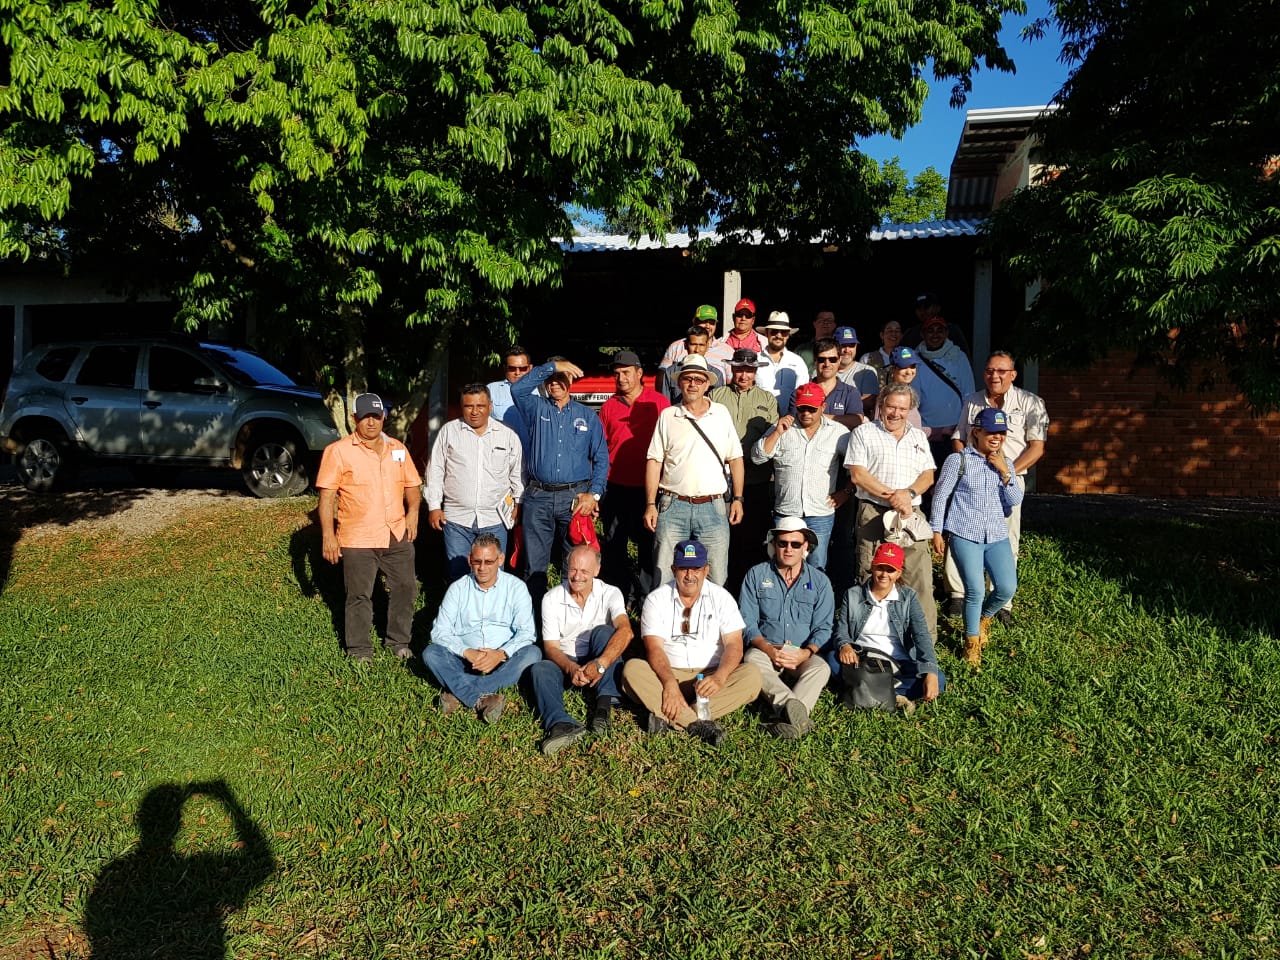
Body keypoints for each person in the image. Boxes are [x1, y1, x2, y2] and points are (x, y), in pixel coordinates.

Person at [621, 539, 762, 746]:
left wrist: (720, 678)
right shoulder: (656, 599)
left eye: (695, 568)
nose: (689, 575)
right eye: (683, 568)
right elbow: (654, 648)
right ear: (673, 569)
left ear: (706, 569)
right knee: (631, 670)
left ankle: (671, 714)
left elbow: (734, 645)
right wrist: (669, 683)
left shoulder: (722, 597)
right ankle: (697, 722)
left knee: (752, 676)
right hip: (669, 673)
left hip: (711, 675)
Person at [943, 351, 1049, 622]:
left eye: (1002, 371)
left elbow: (1037, 448)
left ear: (1013, 374)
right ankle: (957, 594)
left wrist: (1007, 470)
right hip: (972, 478)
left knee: (1005, 538)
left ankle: (1001, 603)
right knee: (961, 532)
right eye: (990, 371)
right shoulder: (972, 401)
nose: (995, 376)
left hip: (1007, 479)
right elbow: (959, 437)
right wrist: (963, 464)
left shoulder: (1030, 403)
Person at [315, 392, 421, 661]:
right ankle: (360, 650)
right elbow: (327, 497)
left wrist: (413, 513)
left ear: (383, 417)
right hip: (358, 536)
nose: (371, 423)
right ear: (354, 419)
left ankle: (398, 642)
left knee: (406, 587)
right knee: (359, 596)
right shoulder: (337, 452)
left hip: (396, 532)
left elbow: (412, 484)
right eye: (365, 417)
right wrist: (328, 535)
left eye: (376, 416)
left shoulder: (398, 448)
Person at [512, 356, 610, 614]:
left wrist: (595, 495)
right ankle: (534, 625)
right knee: (534, 566)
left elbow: (601, 458)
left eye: (560, 378)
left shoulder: (587, 416)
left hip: (574, 499)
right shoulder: (535, 408)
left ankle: (574, 619)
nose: (554, 383)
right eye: (550, 379)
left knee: (575, 565)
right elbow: (517, 388)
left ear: (571, 381)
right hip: (538, 496)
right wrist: (551, 368)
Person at [843, 382, 938, 639]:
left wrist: (906, 495)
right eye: (891, 407)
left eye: (902, 408)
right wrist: (892, 495)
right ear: (881, 406)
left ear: (910, 410)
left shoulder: (918, 436)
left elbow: (928, 476)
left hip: (910, 513)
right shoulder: (863, 433)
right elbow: (858, 475)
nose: (896, 413)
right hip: (873, 512)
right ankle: (866, 635)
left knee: (918, 576)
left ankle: (924, 641)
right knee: (869, 573)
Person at [930, 408, 1024, 666]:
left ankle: (985, 618)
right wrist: (937, 530)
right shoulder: (958, 461)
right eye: (991, 432)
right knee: (975, 589)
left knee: (1007, 587)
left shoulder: (1006, 463)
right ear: (977, 432)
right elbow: (941, 496)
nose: (997, 437)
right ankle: (971, 645)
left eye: (1001, 433)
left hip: (995, 534)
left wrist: (1005, 471)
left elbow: (1015, 500)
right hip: (964, 532)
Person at [644, 353, 744, 587]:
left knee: (717, 577)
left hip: (714, 506)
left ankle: (711, 623)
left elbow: (736, 458)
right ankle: (665, 623)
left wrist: (738, 498)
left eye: (699, 379)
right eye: (688, 378)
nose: (692, 384)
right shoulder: (668, 416)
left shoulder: (721, 414)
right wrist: (650, 504)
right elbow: (654, 461)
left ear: (707, 384)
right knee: (664, 574)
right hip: (672, 505)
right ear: (679, 382)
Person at [423, 534, 542, 722]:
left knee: (532, 654)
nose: (482, 568)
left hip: (503, 660)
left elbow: (527, 633)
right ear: (470, 559)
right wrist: (466, 651)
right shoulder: (458, 588)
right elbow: (439, 631)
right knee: (431, 653)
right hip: (465, 659)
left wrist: (500, 654)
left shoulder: (516, 587)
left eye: (489, 561)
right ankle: (480, 697)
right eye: (477, 561)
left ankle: (460, 691)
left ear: (500, 560)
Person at [528, 544, 634, 755]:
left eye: (584, 571)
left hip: (598, 655)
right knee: (540, 669)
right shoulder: (552, 598)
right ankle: (560, 723)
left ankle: (603, 708)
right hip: (566, 658)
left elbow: (626, 631)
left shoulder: (611, 593)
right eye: (573, 569)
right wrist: (570, 668)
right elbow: (550, 646)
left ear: (596, 571)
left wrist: (600, 664)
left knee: (604, 632)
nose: (577, 576)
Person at [738, 518, 834, 739]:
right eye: (783, 543)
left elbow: (824, 627)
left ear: (806, 547)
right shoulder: (756, 575)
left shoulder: (820, 582)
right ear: (774, 544)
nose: (788, 549)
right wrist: (769, 650)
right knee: (752, 660)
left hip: (800, 653)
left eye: (795, 544)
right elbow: (747, 622)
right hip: (766, 649)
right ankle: (793, 712)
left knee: (821, 669)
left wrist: (805, 653)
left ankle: (783, 718)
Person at [827, 541, 944, 713]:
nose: (884, 574)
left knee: (938, 678)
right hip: (862, 659)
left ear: (898, 573)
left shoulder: (908, 597)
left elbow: (921, 635)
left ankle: (867, 690)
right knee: (831, 659)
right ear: (873, 567)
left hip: (898, 662)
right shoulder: (853, 594)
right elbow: (842, 629)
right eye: (880, 568)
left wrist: (931, 670)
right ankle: (893, 693)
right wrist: (845, 645)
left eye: (890, 570)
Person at [424, 382, 524, 582]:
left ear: (490, 406)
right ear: (462, 407)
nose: (475, 412)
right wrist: (434, 506)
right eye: (469, 406)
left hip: (495, 519)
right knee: (458, 576)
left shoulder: (507, 436)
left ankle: (493, 614)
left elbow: (518, 474)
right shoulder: (449, 432)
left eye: (480, 406)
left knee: (494, 577)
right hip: (456, 520)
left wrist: (518, 502)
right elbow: (435, 470)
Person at [751, 382, 850, 570]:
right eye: (802, 408)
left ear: (823, 407)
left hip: (820, 512)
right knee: (782, 565)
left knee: (817, 567)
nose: (806, 413)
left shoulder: (838, 432)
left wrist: (846, 491)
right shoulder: (782, 428)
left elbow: (859, 462)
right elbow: (757, 457)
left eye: (812, 409)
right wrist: (777, 432)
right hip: (787, 511)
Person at [598, 349, 670, 605]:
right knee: (614, 545)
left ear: (640, 373)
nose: (621, 378)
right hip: (615, 486)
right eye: (617, 374)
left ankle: (647, 600)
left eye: (626, 372)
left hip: (648, 489)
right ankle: (619, 599)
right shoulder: (609, 406)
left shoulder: (659, 403)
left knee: (648, 547)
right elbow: (600, 447)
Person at [709, 347, 779, 594]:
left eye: (749, 370)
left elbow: (773, 438)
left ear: (755, 372)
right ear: (732, 369)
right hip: (721, 482)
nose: (744, 375)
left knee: (753, 542)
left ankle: (750, 594)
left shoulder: (767, 399)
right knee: (722, 543)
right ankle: (723, 593)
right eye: (739, 369)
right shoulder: (716, 396)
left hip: (756, 481)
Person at [913, 314, 975, 471]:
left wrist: (963, 428)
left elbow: (969, 393)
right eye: (930, 330)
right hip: (926, 434)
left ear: (946, 333)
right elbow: (913, 399)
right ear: (922, 334)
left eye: (939, 330)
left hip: (954, 434)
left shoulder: (958, 357)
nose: (935, 334)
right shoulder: (915, 359)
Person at [660, 304, 733, 377]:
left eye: (711, 323)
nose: (707, 326)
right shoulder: (675, 347)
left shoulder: (727, 351)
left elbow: (730, 383)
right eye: (704, 321)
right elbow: (662, 377)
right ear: (694, 321)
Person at [656, 326, 724, 403]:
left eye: (701, 345)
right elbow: (666, 403)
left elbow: (718, 405)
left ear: (707, 346)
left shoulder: (717, 375)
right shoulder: (670, 372)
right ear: (685, 345)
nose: (697, 350)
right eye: (693, 344)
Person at [808, 337, 865, 428]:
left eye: (832, 359)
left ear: (839, 361)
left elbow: (856, 420)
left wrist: (818, 418)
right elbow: (794, 420)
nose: (827, 364)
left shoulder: (851, 393)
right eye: (821, 359)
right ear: (815, 361)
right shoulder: (800, 392)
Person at [486, 344, 533, 450]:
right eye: (512, 368)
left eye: (523, 369)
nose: (517, 373)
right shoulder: (491, 390)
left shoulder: (541, 392)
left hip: (532, 457)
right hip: (501, 456)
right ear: (505, 368)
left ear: (530, 368)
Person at [755, 311, 809, 401]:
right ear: (766, 333)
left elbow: (802, 393)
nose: (778, 335)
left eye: (783, 332)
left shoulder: (798, 362)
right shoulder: (755, 360)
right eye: (774, 332)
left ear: (788, 335)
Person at [833, 326, 879, 414]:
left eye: (851, 345)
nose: (847, 350)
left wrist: (833, 405)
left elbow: (869, 402)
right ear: (833, 346)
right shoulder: (823, 369)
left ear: (856, 346)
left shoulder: (866, 371)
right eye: (842, 345)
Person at [878, 346, 924, 429]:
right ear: (892, 369)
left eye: (912, 366)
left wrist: (938, 431)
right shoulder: (886, 394)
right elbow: (880, 427)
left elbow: (913, 428)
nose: (909, 372)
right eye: (904, 367)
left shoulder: (910, 391)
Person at [790, 308, 837, 373]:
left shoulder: (840, 349)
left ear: (834, 325)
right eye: (822, 320)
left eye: (829, 320)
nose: (826, 323)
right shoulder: (801, 350)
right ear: (814, 323)